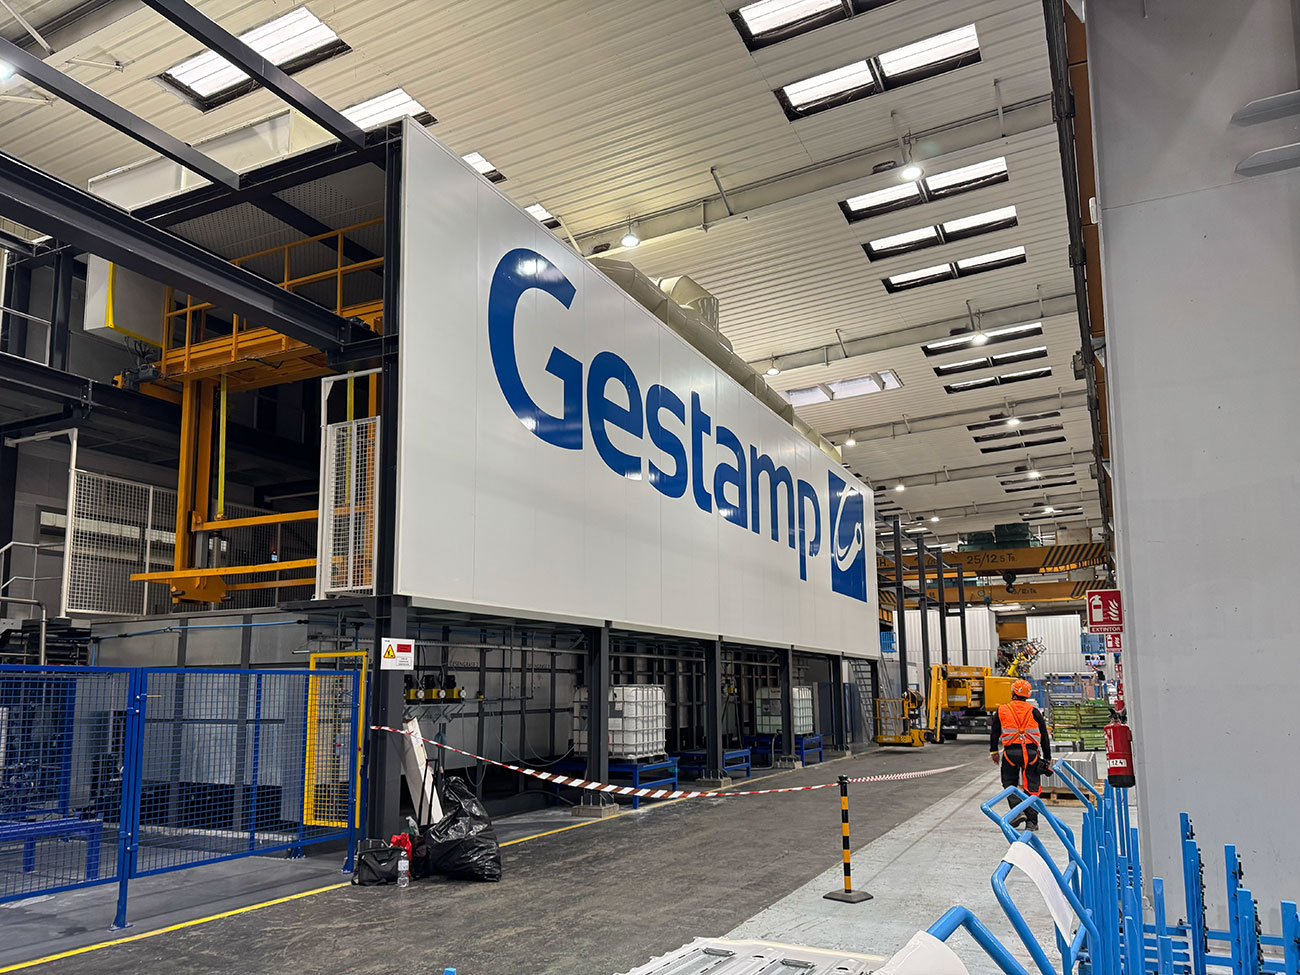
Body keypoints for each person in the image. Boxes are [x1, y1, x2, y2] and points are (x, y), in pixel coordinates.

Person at [989, 678, 1051, 831]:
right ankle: (1032, 822)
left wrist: (994, 751)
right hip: (1031, 755)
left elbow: (995, 732)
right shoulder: (1034, 711)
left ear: (1013, 693)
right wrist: (1047, 757)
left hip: (1011, 754)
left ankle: (1018, 811)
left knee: (1009, 783)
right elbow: (1044, 735)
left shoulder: (1002, 710)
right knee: (1032, 787)